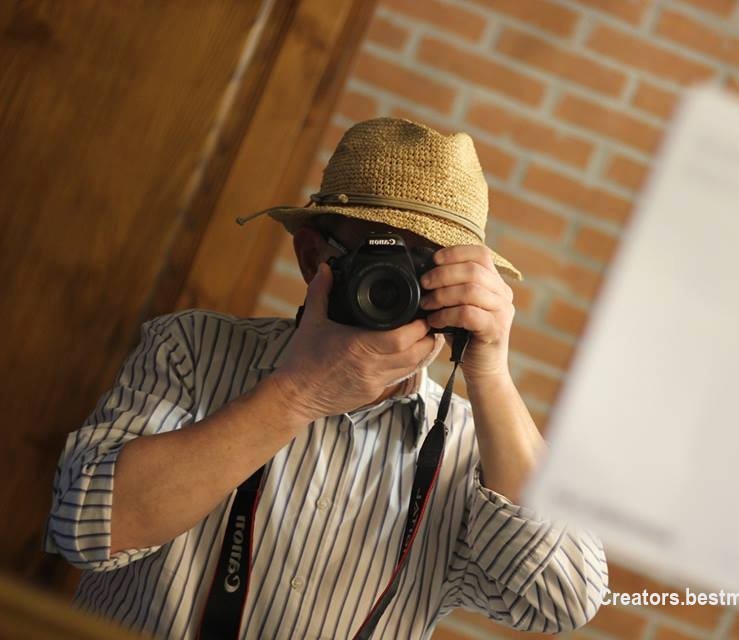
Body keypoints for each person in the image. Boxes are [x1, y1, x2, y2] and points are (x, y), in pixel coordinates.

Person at [44, 117, 608, 639]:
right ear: (312, 256)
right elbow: (84, 528)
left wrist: (489, 372)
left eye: (424, 269)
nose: (396, 287)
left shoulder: (474, 451)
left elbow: (563, 603)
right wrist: (298, 395)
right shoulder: (192, 347)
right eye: (378, 257)